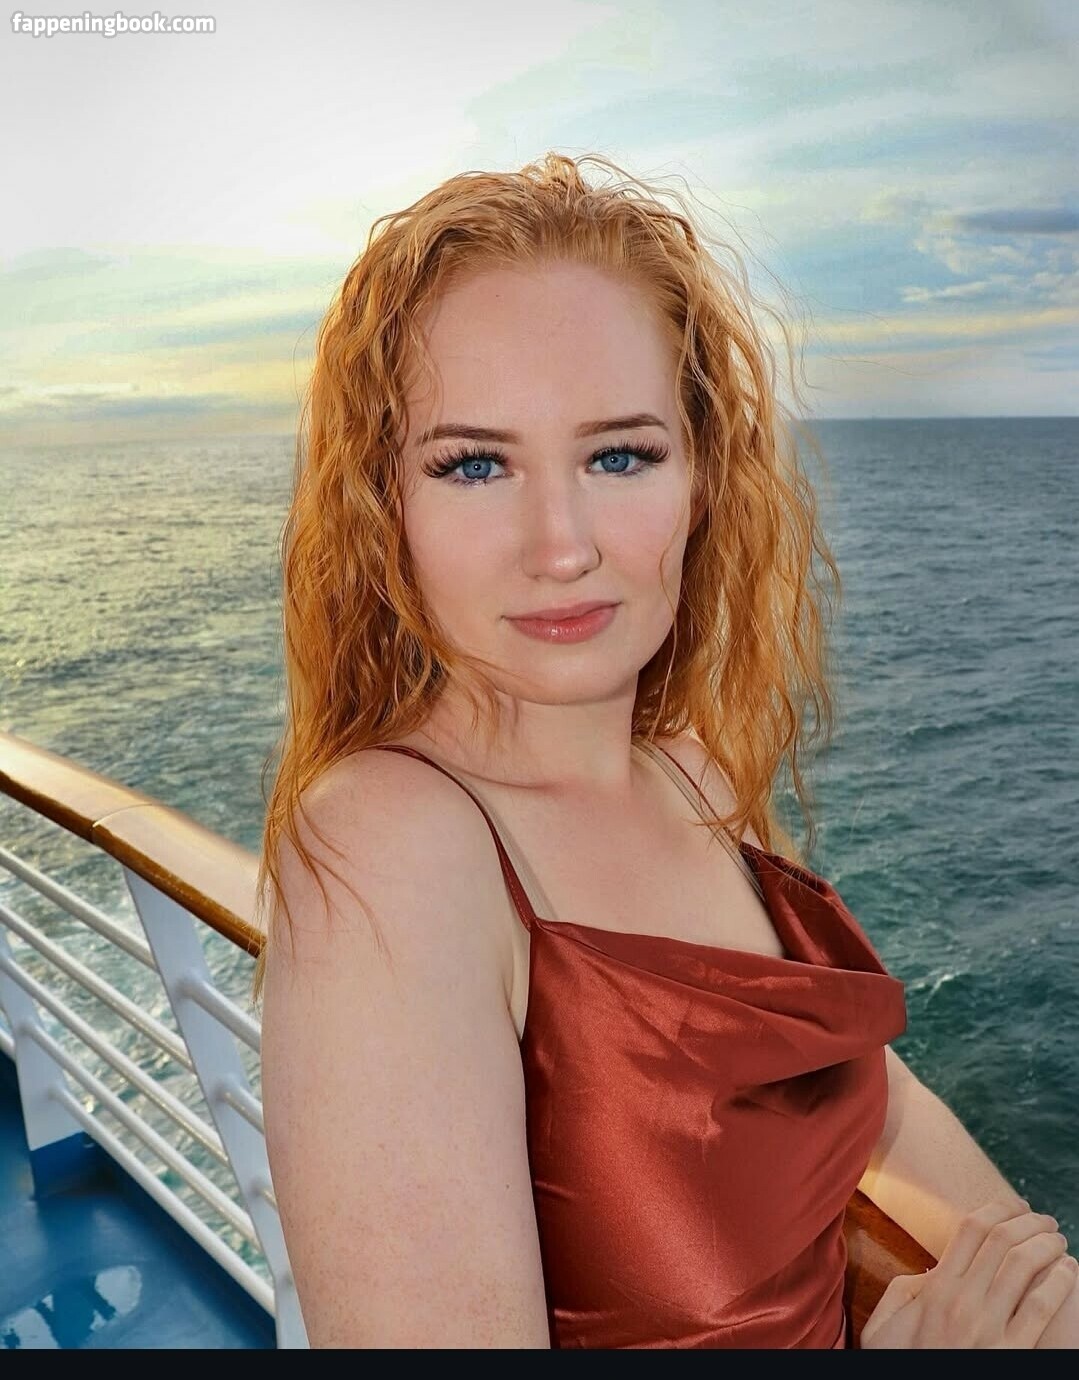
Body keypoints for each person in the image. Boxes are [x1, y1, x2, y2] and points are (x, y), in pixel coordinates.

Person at [253, 151, 1078, 1349]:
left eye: (618, 456)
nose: (561, 545)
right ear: (386, 508)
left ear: (699, 476)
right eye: (473, 463)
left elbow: (867, 1095)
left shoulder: (689, 772)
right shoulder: (390, 847)